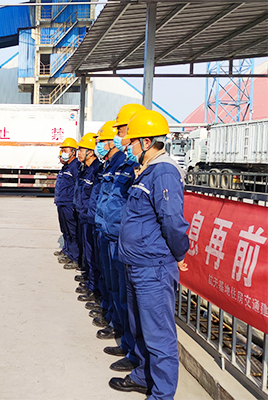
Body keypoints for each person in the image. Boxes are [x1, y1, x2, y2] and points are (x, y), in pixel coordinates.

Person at [109, 110, 189, 399]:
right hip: (136, 263)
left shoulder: (164, 172)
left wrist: (180, 253)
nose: (128, 146)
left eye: (132, 142)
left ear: (146, 142)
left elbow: (172, 220)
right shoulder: (147, 170)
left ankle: (163, 393)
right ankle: (144, 376)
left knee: (159, 335)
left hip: (152, 267)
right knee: (140, 327)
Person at [98, 105, 145, 371]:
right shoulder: (125, 163)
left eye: (121, 130)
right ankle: (124, 338)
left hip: (126, 241)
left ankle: (133, 351)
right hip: (111, 232)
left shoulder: (143, 167)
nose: (119, 136)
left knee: (130, 302)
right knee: (117, 290)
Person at [73, 132, 102, 303]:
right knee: (88, 252)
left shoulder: (96, 169)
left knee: (93, 255)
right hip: (84, 215)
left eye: (81, 150)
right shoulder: (84, 169)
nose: (79, 153)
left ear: (90, 152)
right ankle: (89, 280)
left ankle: (94, 287)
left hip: (92, 218)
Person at [54, 138, 80, 269]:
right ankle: (67, 250)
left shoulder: (75, 167)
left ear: (73, 152)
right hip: (62, 203)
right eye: (61, 151)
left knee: (72, 231)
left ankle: (74, 257)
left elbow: (77, 187)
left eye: (65, 150)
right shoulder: (65, 167)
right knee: (65, 230)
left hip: (69, 204)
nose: (62, 153)